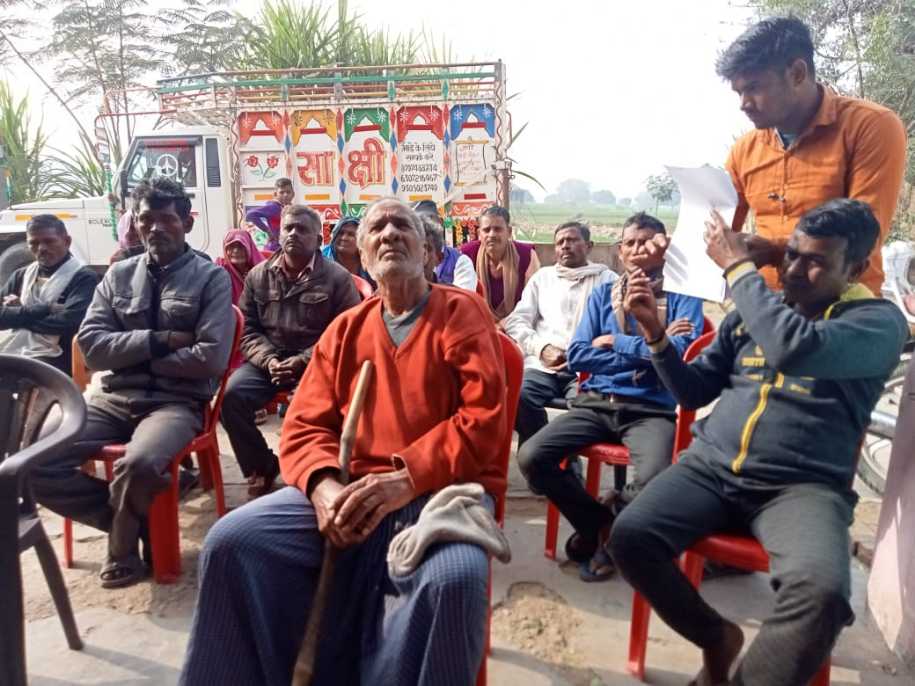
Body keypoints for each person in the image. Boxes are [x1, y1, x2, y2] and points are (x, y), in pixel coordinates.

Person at [181, 198, 507, 686]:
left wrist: (406, 479)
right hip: (348, 486)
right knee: (232, 541)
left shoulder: (462, 312)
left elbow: (483, 420)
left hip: (439, 489)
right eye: (378, 228)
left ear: (426, 252)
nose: (390, 233)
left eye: (402, 226)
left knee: (454, 578)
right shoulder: (346, 329)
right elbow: (302, 427)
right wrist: (323, 489)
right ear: (364, 256)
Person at [610, 199, 909, 686]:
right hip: (709, 470)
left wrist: (738, 269)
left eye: (816, 262)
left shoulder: (876, 323)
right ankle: (716, 638)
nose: (794, 270)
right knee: (629, 536)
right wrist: (655, 334)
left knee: (823, 593)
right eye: (792, 254)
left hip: (800, 489)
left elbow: (795, 347)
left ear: (855, 269)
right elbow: (694, 391)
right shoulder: (756, 311)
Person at [30, 177, 235, 588]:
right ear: (136, 224)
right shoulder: (116, 276)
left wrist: (130, 358)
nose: (156, 228)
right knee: (35, 461)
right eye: (146, 219)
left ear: (187, 223)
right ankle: (133, 524)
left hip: (175, 404)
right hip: (112, 399)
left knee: (140, 464)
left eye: (167, 219)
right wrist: (160, 341)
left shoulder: (211, 278)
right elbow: (92, 348)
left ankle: (122, 550)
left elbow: (210, 358)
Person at [517, 212, 703, 582]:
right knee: (532, 456)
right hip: (597, 402)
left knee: (656, 475)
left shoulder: (683, 297)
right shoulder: (604, 294)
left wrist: (616, 342)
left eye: (647, 241)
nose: (638, 250)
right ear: (620, 251)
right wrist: (654, 348)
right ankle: (600, 525)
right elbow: (579, 355)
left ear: (663, 249)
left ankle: (611, 530)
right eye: (630, 243)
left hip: (651, 409)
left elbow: (681, 354)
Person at [720, 16, 907, 294]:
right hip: (764, 305)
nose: (744, 104)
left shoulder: (870, 126)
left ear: (797, 73)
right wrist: (668, 252)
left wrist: (776, 250)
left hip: (841, 307)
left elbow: (865, 236)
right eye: (739, 92)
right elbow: (719, 229)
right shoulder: (744, 150)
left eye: (754, 88)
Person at [221, 204, 360, 498]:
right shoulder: (258, 276)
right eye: (288, 228)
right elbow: (248, 330)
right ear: (280, 233)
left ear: (318, 239)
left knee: (308, 408)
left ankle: (313, 473)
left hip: (318, 364)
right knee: (229, 397)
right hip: (268, 363)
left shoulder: (337, 279)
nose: (293, 234)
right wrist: (269, 359)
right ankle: (261, 466)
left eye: (302, 229)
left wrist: (303, 360)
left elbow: (345, 334)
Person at [502, 221, 614, 444]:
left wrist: (583, 355)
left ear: (589, 246)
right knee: (517, 397)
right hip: (543, 366)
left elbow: (615, 330)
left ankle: (556, 454)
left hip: (587, 369)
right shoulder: (542, 278)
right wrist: (541, 348)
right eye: (560, 242)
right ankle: (545, 455)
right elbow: (516, 320)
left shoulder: (608, 280)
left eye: (572, 240)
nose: (565, 246)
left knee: (587, 411)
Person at [0, 214, 99, 375]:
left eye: (49, 241)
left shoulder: (84, 278)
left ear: (67, 241)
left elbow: (68, 324)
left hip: (60, 356)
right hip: (18, 347)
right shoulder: (21, 275)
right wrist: (43, 309)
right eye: (34, 243)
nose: (41, 248)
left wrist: (17, 313)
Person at [461, 206, 540, 319]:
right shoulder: (467, 254)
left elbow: (533, 302)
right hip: (478, 321)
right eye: (486, 230)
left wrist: (506, 324)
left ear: (509, 232)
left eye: (497, 229)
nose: (492, 235)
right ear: (479, 233)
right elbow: (463, 299)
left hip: (517, 322)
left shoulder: (527, 255)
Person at [216, 229, 265, 371]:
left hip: (256, 328)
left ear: (249, 247)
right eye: (231, 247)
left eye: (240, 246)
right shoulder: (219, 269)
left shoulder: (261, 269)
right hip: (229, 329)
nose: (236, 251)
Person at [414, 200, 478, 290]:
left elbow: (463, 295)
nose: (424, 226)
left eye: (429, 220)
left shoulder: (460, 261)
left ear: (440, 222)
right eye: (418, 223)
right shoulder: (408, 260)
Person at [321, 215, 376, 289]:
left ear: (361, 241)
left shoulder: (371, 265)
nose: (344, 238)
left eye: (351, 235)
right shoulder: (321, 261)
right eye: (341, 233)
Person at [245, 177, 295, 252]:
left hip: (287, 247)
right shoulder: (274, 207)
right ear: (275, 194)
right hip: (274, 249)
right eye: (281, 192)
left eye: (288, 192)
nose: (285, 195)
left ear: (293, 194)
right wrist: (268, 231)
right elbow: (250, 214)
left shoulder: (292, 208)